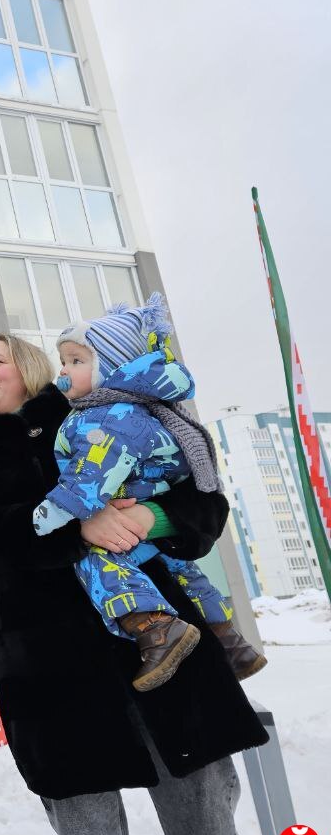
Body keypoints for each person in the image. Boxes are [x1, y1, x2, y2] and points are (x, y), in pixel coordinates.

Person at [0, 333, 267, 835]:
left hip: (160, 642)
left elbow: (202, 501)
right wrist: (77, 526)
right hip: (48, 658)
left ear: (30, 368)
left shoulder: (101, 411)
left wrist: (146, 520)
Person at [34, 294, 265, 690]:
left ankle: (154, 626)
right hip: (138, 518)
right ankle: (228, 639)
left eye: (76, 361)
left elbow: (91, 473)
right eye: (64, 362)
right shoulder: (141, 409)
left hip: (120, 519)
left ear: (110, 367)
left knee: (95, 563)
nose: (65, 371)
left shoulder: (106, 417)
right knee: (184, 574)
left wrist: (54, 512)